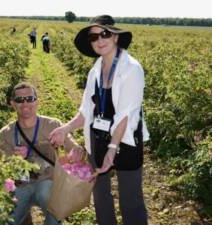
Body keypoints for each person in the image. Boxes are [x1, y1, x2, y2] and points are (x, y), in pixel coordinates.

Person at [49, 15, 150, 225]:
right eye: (94, 37)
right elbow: (87, 110)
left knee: (130, 198)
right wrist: (66, 128)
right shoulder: (94, 70)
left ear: (115, 37)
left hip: (126, 140)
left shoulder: (131, 69)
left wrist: (113, 148)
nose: (99, 40)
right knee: (100, 194)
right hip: (98, 137)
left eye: (104, 34)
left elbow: (126, 114)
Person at [0, 82, 84, 225]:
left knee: (50, 201)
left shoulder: (52, 125)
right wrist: (13, 158)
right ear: (13, 104)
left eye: (30, 98)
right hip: (19, 185)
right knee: (1, 219)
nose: (25, 103)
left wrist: (77, 152)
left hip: (47, 183)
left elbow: (71, 146)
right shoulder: (5, 134)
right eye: (19, 100)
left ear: (37, 101)